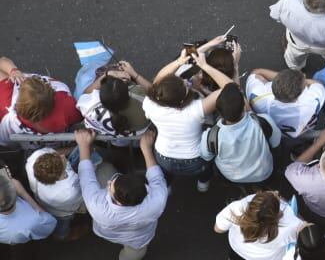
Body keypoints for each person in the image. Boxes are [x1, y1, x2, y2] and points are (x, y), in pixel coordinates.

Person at [76, 129, 169, 260]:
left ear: (115, 195)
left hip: (108, 234)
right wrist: (147, 148)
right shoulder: (157, 201)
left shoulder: (97, 206)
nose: (109, 183)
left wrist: (83, 146)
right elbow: (156, 178)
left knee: (104, 169)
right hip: (138, 240)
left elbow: (86, 177)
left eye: (111, 184)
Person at [142, 50, 232, 191]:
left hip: (163, 155)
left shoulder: (150, 104)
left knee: (166, 173)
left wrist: (179, 62)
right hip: (195, 158)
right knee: (205, 169)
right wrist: (205, 69)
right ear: (183, 99)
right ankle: (203, 184)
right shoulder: (196, 109)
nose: (186, 81)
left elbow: (158, 80)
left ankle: (168, 187)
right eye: (185, 84)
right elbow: (230, 89)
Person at [199, 83, 282, 186]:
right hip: (263, 174)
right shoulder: (263, 121)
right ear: (244, 107)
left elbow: (206, 157)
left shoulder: (210, 136)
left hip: (232, 178)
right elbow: (276, 143)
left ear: (220, 113)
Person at [214, 190, 302, 260]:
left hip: (238, 248)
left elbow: (218, 229)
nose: (276, 191)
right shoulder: (291, 225)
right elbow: (304, 236)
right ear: (276, 214)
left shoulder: (238, 207)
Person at [0, 66, 81, 142]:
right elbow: (80, 117)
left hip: (27, 143)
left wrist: (13, 70)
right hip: (61, 138)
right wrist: (13, 70)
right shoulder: (66, 106)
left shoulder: (4, 96)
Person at [76, 62, 150, 144]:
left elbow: (86, 94)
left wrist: (107, 74)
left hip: (106, 135)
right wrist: (134, 74)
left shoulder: (92, 106)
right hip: (135, 137)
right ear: (128, 92)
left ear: (100, 96)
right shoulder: (142, 103)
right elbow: (156, 94)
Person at [0, 169, 57, 260]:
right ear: (13, 193)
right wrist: (24, 193)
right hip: (19, 241)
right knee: (22, 257)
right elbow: (50, 223)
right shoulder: (34, 220)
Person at [246, 68, 325, 139]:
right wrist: (303, 81)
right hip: (304, 128)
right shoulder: (311, 101)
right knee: (306, 135)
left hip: (277, 132)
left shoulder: (258, 98)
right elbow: (317, 84)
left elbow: (257, 72)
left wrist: (283, 80)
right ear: (299, 95)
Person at [25, 148, 84, 240]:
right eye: (61, 160)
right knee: (62, 226)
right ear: (59, 175)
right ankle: (62, 235)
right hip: (62, 213)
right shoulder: (70, 190)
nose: (63, 156)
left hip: (41, 201)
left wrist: (76, 147)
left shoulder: (35, 157)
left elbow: (54, 153)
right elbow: (83, 196)